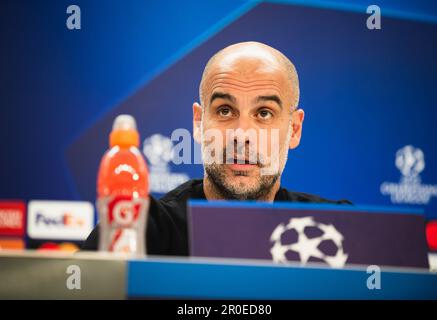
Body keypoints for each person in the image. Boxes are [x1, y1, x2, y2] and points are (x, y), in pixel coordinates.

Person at [82, 41, 351, 255]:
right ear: (199, 123)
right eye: (225, 110)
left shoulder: (337, 231)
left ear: (294, 129)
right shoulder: (139, 231)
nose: (242, 134)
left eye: (264, 113)